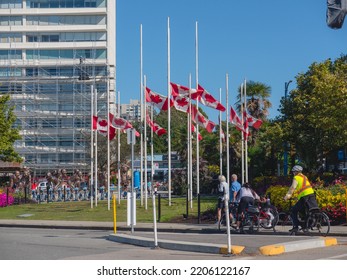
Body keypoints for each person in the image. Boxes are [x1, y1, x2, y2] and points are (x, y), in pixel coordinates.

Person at [284, 165, 318, 232]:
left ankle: (296, 227)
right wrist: (298, 197)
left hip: (305, 196)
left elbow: (292, 188)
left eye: (293, 172)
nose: (293, 173)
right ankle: (304, 226)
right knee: (303, 210)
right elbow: (303, 188)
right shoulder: (304, 177)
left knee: (293, 210)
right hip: (311, 195)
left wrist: (287, 196)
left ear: (296, 172)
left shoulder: (296, 177)